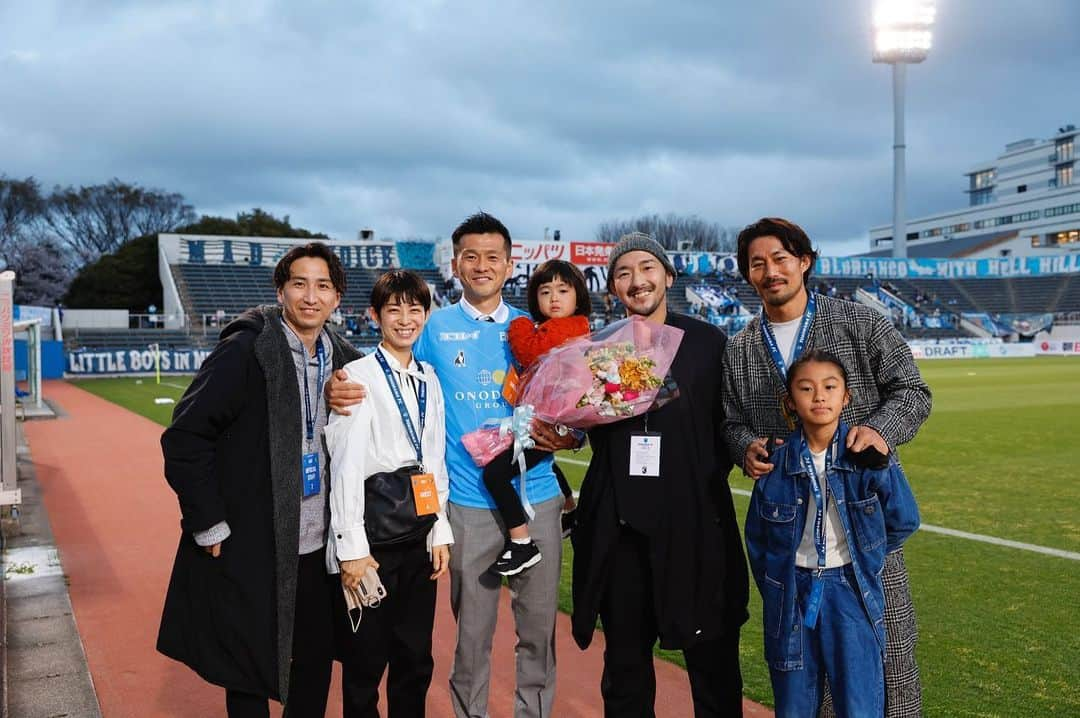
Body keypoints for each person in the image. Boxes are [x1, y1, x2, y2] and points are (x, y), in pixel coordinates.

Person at [326, 212, 578, 718]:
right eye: (471, 256)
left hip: (539, 497)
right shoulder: (433, 326)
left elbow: (574, 406)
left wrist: (571, 432)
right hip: (466, 506)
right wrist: (336, 379)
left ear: (510, 265)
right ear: (455, 264)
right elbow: (386, 359)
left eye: (492, 257)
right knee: (471, 640)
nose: (481, 266)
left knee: (538, 635)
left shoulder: (537, 328)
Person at [722, 217, 932, 717]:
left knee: (888, 670)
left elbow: (913, 391)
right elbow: (731, 421)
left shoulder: (859, 322)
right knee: (802, 680)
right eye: (757, 263)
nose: (770, 271)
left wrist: (879, 431)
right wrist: (746, 446)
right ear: (748, 275)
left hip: (864, 524)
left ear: (804, 262)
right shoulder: (742, 346)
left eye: (780, 259)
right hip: (791, 536)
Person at [158, 242, 360, 717]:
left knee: (313, 665)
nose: (311, 296)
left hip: (320, 546)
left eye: (323, 286)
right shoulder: (247, 350)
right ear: (281, 290)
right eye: (299, 283)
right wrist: (207, 520)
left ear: (337, 299)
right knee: (248, 666)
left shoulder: (348, 361)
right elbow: (185, 437)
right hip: (255, 540)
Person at [571, 232, 749, 717]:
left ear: (668, 276)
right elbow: (581, 425)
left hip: (695, 526)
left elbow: (732, 422)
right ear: (612, 288)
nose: (637, 280)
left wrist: (747, 450)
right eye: (623, 273)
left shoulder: (708, 343)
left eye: (647, 267)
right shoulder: (600, 348)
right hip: (623, 529)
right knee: (626, 673)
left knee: (713, 667)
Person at [745, 350, 920, 718]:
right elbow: (758, 541)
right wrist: (779, 586)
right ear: (790, 401)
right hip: (792, 592)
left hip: (849, 589)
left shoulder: (868, 458)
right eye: (806, 389)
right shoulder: (775, 465)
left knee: (858, 703)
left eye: (829, 387)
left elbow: (904, 519)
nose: (819, 397)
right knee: (794, 704)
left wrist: (864, 554)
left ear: (846, 396)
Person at [324, 270, 453, 717]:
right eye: (393, 309)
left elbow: (433, 458)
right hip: (372, 542)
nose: (405, 319)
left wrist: (439, 529)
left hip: (417, 534)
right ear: (375, 315)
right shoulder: (356, 376)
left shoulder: (429, 378)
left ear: (426, 315)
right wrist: (352, 551)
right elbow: (345, 467)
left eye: (414, 309)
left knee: (414, 658)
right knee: (364, 663)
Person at [482, 259, 589, 575]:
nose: (554, 298)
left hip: (550, 423)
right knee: (544, 463)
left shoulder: (562, 328)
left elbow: (528, 351)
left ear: (577, 295)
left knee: (494, 474)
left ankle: (521, 542)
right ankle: (570, 511)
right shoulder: (574, 326)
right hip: (551, 422)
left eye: (563, 290)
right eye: (545, 291)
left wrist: (518, 326)